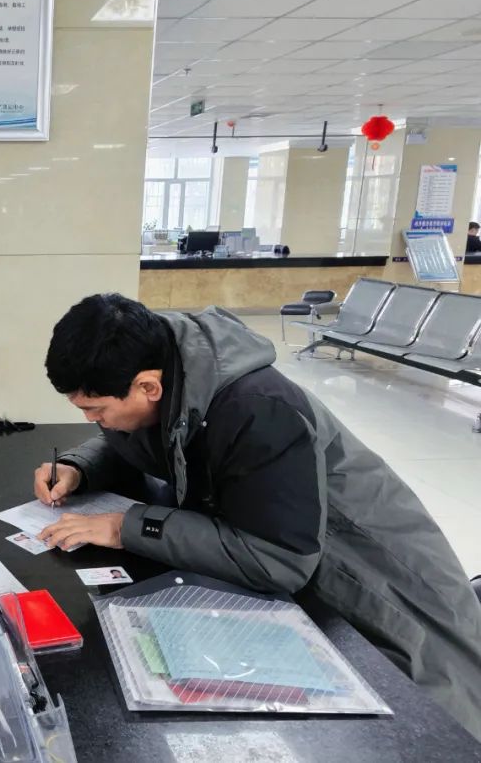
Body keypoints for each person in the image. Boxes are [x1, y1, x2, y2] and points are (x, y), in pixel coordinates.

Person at [33, 294, 481, 739]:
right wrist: (79, 467)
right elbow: (143, 435)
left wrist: (127, 526)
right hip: (296, 548)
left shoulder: (259, 408)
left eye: (96, 410)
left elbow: (279, 557)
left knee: (430, 724)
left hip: (375, 576)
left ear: (149, 387)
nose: (93, 420)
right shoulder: (163, 364)